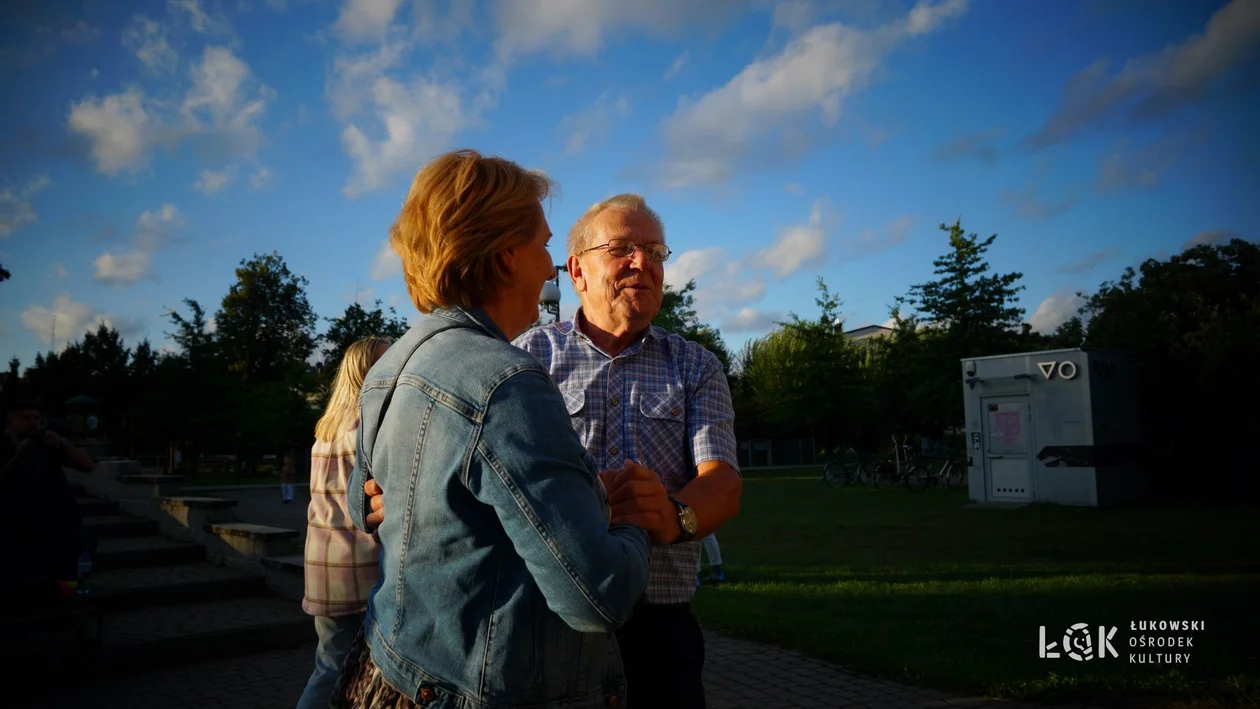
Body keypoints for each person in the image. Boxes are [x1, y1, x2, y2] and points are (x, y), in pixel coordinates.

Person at [365, 193, 744, 708]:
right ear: (576, 271)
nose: (644, 263)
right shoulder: (520, 359)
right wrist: (415, 498)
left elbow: (722, 481)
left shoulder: (696, 365)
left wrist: (676, 518)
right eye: (623, 248)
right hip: (546, 627)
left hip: (661, 625)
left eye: (656, 252)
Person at [334, 149, 654, 709]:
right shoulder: (507, 384)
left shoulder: (391, 366)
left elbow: (367, 506)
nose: (550, 265)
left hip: (390, 672)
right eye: (544, 244)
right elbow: (595, 595)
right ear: (507, 256)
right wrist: (630, 521)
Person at [295, 337, 391, 709]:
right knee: (348, 670)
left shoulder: (326, 429)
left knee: (329, 663)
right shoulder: (370, 430)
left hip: (322, 564)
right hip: (361, 564)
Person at [1, 398, 97, 604]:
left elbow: (88, 466)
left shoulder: (45, 443)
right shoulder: (4, 445)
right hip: (15, 526)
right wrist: (17, 457)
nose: (32, 422)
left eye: (36, 417)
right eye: (25, 417)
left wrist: (62, 442)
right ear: (10, 421)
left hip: (55, 523)